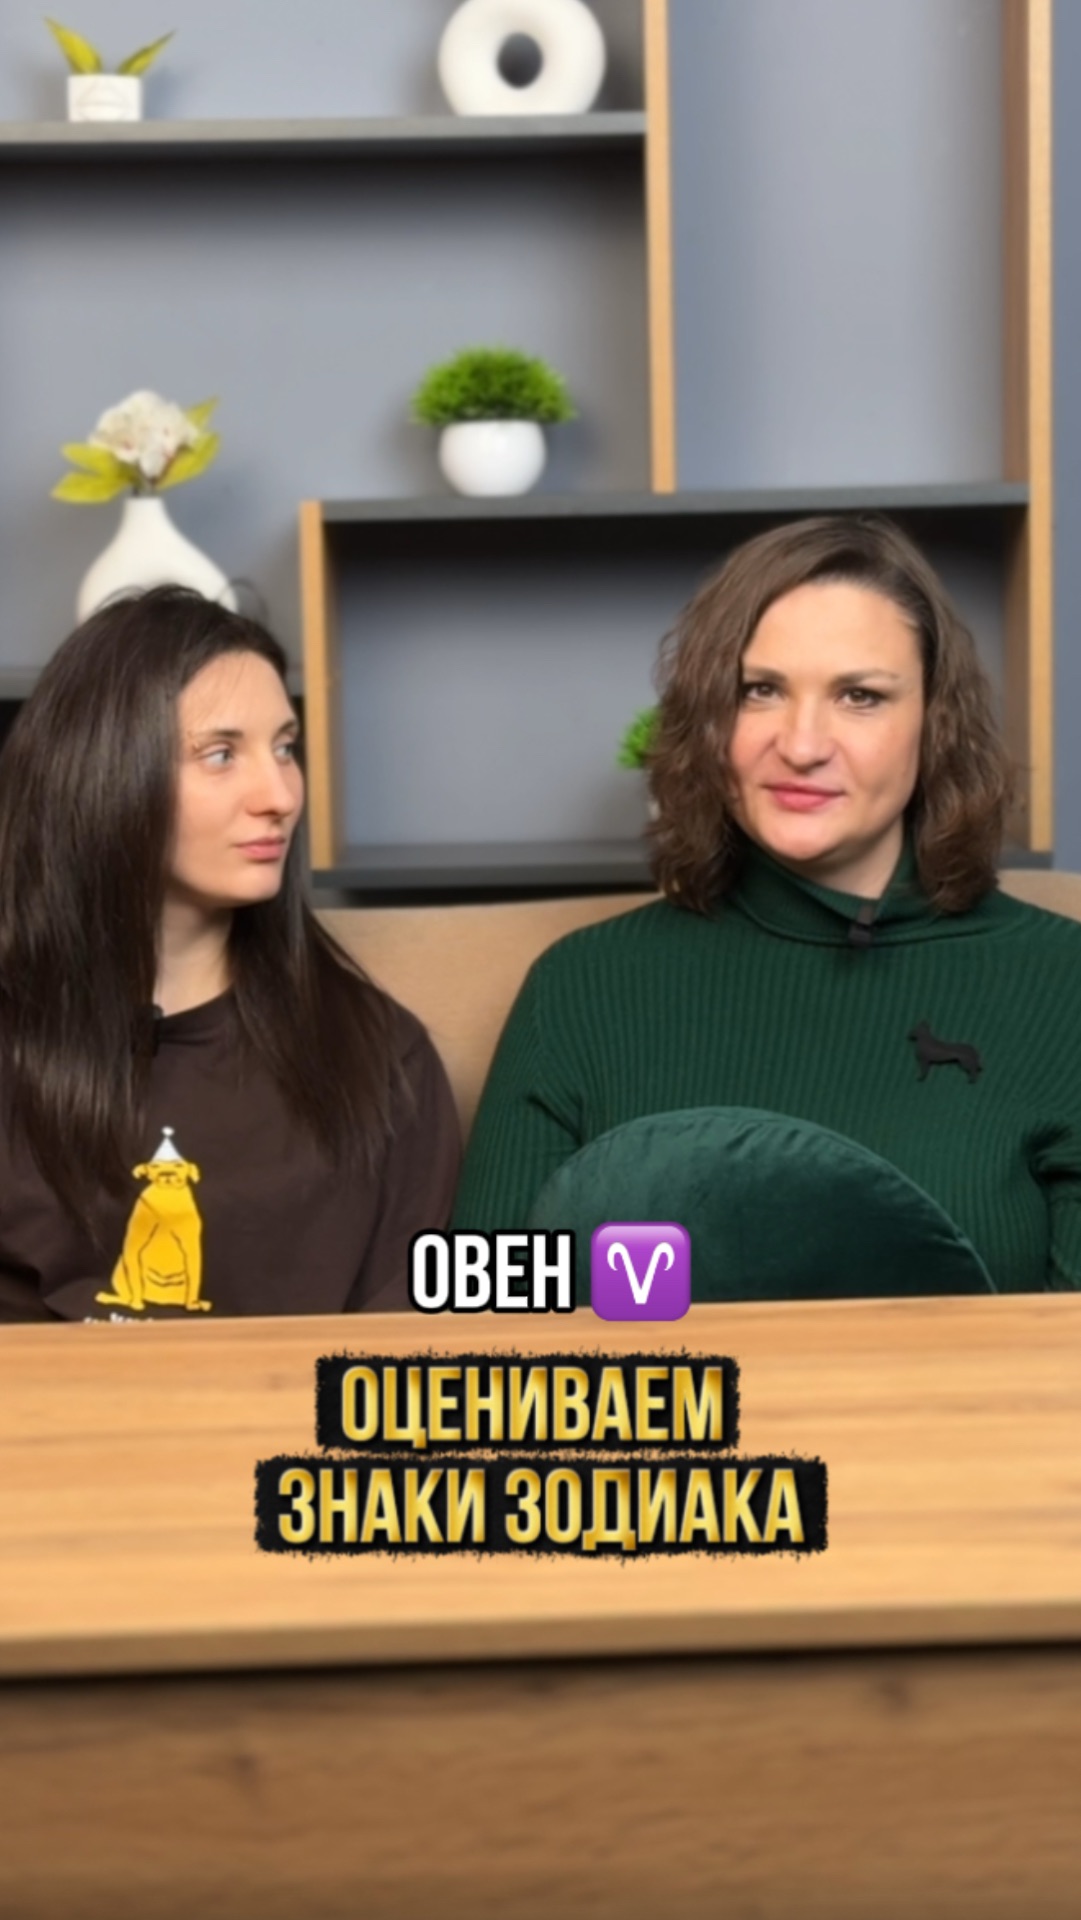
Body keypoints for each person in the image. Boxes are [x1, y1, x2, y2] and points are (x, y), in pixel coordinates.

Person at [454, 513, 1081, 1295]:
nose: (801, 744)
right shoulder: (580, 986)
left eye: (859, 695)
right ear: (710, 719)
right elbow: (483, 1320)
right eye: (760, 691)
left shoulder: (1062, 982)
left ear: (934, 724)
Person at [0, 587, 460, 1320]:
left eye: (284, 748)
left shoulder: (383, 1061)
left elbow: (403, 1342)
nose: (278, 795)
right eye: (219, 754)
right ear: (101, 775)